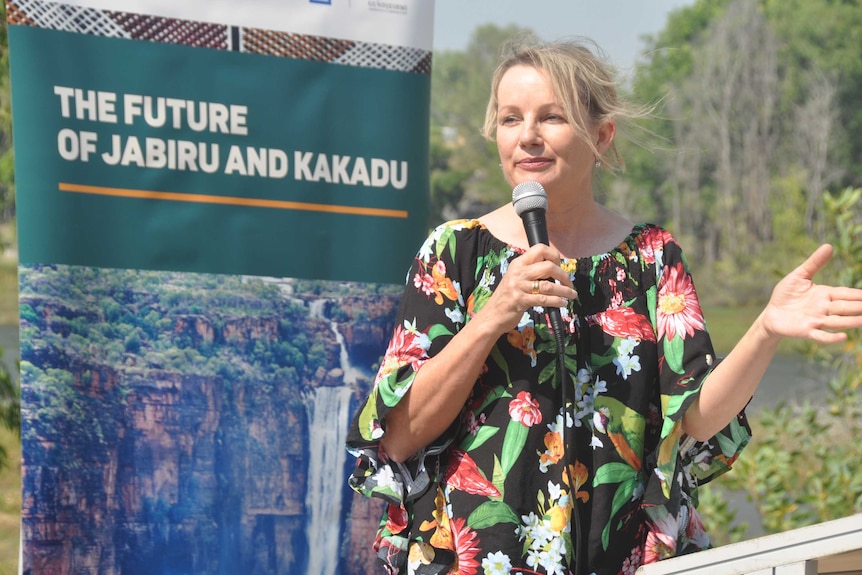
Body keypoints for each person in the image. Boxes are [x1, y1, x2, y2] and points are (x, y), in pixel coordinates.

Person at [345, 37, 862, 575]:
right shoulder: (454, 252)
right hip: (479, 559)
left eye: (552, 118)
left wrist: (765, 330)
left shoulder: (652, 257)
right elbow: (401, 436)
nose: (528, 138)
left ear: (600, 135)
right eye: (510, 119)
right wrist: (493, 316)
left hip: (626, 560)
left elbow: (698, 421)